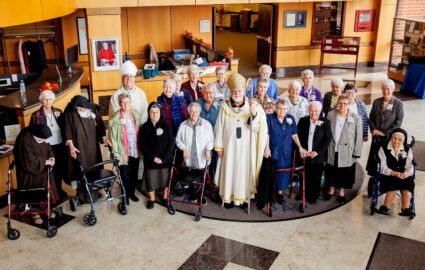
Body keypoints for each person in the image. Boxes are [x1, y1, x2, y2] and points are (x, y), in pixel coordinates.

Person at [214, 72, 268, 208]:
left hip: (246, 148)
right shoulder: (224, 107)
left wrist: (254, 114)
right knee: (229, 171)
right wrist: (219, 146)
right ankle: (229, 198)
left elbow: (259, 128)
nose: (237, 93)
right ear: (231, 91)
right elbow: (219, 127)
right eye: (234, 90)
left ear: (244, 91)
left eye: (239, 90)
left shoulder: (253, 106)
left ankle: (244, 198)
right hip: (229, 147)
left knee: (244, 172)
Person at [63, 95, 110, 203]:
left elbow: (100, 125)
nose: (80, 110)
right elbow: (68, 129)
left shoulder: (93, 109)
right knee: (81, 169)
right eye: (78, 109)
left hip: (92, 145)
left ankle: (94, 192)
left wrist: (103, 137)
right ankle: (82, 195)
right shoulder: (70, 112)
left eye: (82, 109)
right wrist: (71, 146)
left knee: (94, 167)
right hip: (79, 146)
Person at [14, 124, 59, 225]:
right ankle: (34, 212)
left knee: (45, 188)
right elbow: (28, 160)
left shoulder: (41, 136)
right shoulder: (24, 139)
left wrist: (51, 157)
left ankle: (45, 208)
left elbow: (48, 147)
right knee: (32, 191)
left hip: (43, 170)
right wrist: (46, 162)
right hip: (29, 173)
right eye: (41, 140)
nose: (43, 142)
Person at [324, 95, 363, 204]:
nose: (341, 105)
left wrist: (356, 152)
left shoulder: (355, 118)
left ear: (348, 105)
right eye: (340, 103)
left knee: (343, 172)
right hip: (332, 147)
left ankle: (341, 191)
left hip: (347, 150)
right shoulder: (331, 114)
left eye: (344, 104)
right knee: (331, 169)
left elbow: (359, 136)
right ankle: (331, 190)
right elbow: (326, 131)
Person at [30, 90, 66, 201]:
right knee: (51, 171)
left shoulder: (58, 112)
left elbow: (64, 127)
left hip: (59, 144)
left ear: (53, 100)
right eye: (45, 99)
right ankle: (53, 193)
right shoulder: (36, 115)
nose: (48, 101)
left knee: (60, 169)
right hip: (47, 147)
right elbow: (33, 134)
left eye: (50, 99)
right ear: (41, 100)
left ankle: (59, 189)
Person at [265, 99, 304, 204]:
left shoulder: (290, 118)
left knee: (285, 172)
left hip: (286, 150)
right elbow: (266, 135)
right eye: (280, 108)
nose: (283, 111)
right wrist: (267, 148)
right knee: (273, 172)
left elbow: (294, 134)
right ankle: (271, 194)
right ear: (276, 108)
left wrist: (300, 146)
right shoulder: (269, 118)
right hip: (273, 150)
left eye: (285, 109)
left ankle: (280, 193)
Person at [139, 102, 175, 209]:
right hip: (151, 160)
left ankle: (165, 197)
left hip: (165, 160)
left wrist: (163, 158)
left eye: (157, 112)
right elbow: (142, 145)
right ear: (148, 113)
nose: (154, 114)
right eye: (152, 112)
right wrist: (153, 158)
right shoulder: (144, 127)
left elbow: (171, 143)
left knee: (166, 180)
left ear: (161, 113)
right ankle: (152, 199)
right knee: (151, 181)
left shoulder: (167, 126)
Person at [366, 79, 404, 178]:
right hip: (376, 137)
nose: (385, 91)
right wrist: (374, 130)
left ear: (392, 89)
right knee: (375, 159)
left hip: (389, 138)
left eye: (388, 89)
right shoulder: (377, 102)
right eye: (383, 89)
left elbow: (398, 123)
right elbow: (371, 118)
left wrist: (385, 133)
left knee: (386, 159)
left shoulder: (398, 104)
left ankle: (385, 177)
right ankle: (374, 178)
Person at [109, 93, 141, 204]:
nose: (126, 104)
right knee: (124, 174)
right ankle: (125, 195)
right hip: (123, 151)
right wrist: (116, 153)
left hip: (135, 149)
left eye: (128, 102)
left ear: (131, 103)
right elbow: (113, 138)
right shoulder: (116, 119)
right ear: (119, 104)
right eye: (123, 102)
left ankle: (131, 193)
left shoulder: (136, 114)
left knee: (134, 173)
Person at [297, 101, 331, 204]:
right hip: (305, 154)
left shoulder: (326, 122)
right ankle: (303, 193)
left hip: (318, 156)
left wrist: (317, 152)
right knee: (304, 175)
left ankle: (313, 195)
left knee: (316, 177)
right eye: (311, 110)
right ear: (308, 110)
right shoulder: (303, 121)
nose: (313, 113)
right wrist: (302, 149)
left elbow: (327, 140)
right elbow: (298, 137)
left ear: (320, 111)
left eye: (316, 111)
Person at [376, 128, 415, 216]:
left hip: (403, 174)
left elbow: (410, 165)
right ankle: (385, 207)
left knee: (407, 189)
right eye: (394, 138)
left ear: (403, 141)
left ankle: (406, 209)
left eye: (400, 139)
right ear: (391, 137)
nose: (396, 141)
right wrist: (392, 173)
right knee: (392, 189)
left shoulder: (407, 149)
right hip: (389, 174)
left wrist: (407, 173)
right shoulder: (383, 148)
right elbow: (382, 166)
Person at [176, 102, 214, 169]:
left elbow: (211, 140)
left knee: (202, 177)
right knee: (190, 176)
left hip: (203, 158)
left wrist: (208, 150)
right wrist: (184, 148)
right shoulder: (183, 125)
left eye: (196, 111)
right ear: (188, 112)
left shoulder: (207, 124)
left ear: (199, 112)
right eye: (192, 111)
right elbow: (177, 140)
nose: (194, 114)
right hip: (189, 159)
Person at [196, 83, 222, 180]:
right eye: (205, 93)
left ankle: (213, 183)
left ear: (214, 93)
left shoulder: (220, 105)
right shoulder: (198, 103)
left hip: (215, 138)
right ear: (202, 93)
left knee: (214, 162)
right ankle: (201, 184)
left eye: (210, 93)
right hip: (200, 138)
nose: (208, 95)